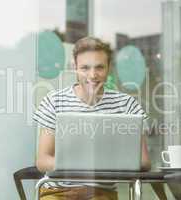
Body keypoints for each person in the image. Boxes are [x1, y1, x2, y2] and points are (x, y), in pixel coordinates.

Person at [33, 36, 151, 200]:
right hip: (56, 193)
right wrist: (87, 164)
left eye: (99, 67)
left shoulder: (127, 105)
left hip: (101, 194)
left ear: (108, 68)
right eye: (85, 68)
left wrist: (101, 164)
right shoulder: (54, 101)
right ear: (75, 67)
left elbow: (144, 162)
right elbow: (43, 160)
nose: (93, 75)